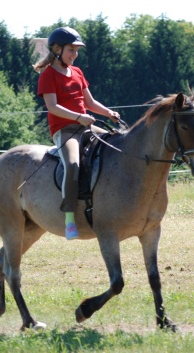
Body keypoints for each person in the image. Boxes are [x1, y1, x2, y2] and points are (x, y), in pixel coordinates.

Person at [34, 26, 120, 240]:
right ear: (56, 49)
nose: (75, 55)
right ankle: (70, 219)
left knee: (117, 144)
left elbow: (89, 102)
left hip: (86, 127)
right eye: (71, 50)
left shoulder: (78, 73)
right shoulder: (48, 75)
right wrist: (79, 117)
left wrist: (108, 113)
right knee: (72, 165)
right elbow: (52, 107)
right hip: (65, 131)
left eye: (77, 51)